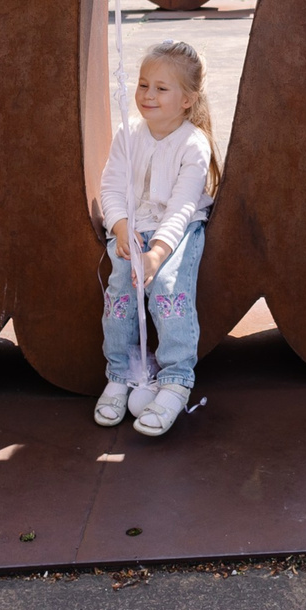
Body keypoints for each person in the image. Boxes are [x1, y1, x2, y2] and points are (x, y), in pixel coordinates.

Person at [94, 40, 220, 438]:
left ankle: (176, 380)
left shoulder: (193, 144)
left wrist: (158, 253)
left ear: (187, 99)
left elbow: (182, 206)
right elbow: (111, 186)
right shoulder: (128, 133)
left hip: (176, 231)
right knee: (119, 292)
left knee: (167, 289)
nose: (148, 95)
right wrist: (119, 228)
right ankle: (120, 373)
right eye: (144, 84)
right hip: (132, 228)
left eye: (161, 89)